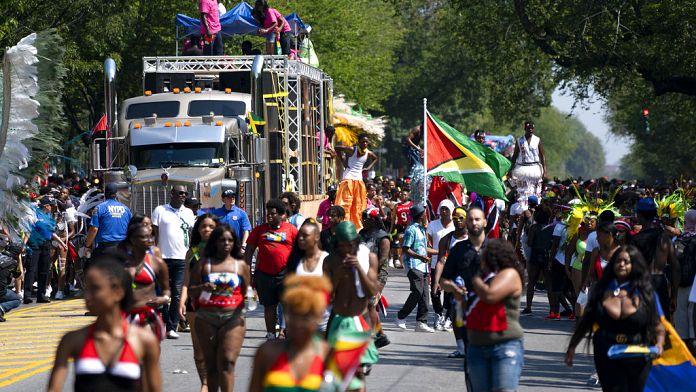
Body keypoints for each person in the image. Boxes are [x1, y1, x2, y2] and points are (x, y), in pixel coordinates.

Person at [48, 255, 161, 392]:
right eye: (86, 289)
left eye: (95, 289)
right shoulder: (72, 340)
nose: (87, 297)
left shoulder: (144, 341)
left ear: (118, 292)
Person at [565, 246, 665, 391]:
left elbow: (657, 323)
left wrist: (660, 344)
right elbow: (587, 320)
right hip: (607, 351)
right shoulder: (602, 290)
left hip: (637, 352)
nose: (622, 264)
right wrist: (572, 346)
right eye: (618, 261)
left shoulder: (645, 292)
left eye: (626, 261)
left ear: (634, 265)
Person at [189, 225, 250, 392]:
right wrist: (203, 287)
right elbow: (192, 291)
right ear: (215, 242)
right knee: (212, 365)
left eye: (230, 240)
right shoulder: (204, 264)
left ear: (234, 243)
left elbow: (247, 291)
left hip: (233, 318)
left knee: (227, 362)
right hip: (207, 318)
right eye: (222, 240)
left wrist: (248, 301)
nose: (226, 243)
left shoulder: (240, 266)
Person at [248, 275, 332, 392]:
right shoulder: (266, 353)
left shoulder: (328, 355)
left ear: (319, 317)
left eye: (306, 317)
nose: (298, 323)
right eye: (294, 314)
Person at [323, 221, 379, 391]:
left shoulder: (369, 257)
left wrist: (358, 269)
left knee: (359, 373)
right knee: (335, 373)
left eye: (350, 245)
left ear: (356, 241)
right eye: (342, 245)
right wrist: (339, 275)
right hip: (338, 320)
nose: (347, 249)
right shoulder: (330, 260)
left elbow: (372, 292)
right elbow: (326, 297)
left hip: (360, 320)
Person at [464, 240, 525, 392]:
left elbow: (490, 295)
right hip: (477, 347)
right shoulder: (486, 278)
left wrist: (475, 279)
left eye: (484, 255)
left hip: (504, 347)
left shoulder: (509, 274)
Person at [440, 207, 487, 388]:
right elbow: (445, 280)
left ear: (485, 222)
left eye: (478, 219)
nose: (473, 223)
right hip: (468, 314)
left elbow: (514, 282)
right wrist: (453, 288)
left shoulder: (495, 249)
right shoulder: (458, 249)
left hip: (491, 317)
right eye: (470, 220)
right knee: (473, 367)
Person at [245, 198, 298, 339]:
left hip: (285, 274)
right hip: (264, 274)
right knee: (269, 306)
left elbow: (300, 250)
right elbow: (249, 250)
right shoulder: (259, 230)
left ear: (281, 215)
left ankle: (283, 330)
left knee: (286, 304)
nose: (269, 216)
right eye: (268, 213)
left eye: (273, 213)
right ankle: (270, 334)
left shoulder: (291, 230)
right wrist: (248, 272)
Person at [151, 185, 196, 339]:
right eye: (180, 193)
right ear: (172, 194)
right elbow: (154, 234)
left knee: (177, 294)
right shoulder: (160, 210)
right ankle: (163, 324)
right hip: (163, 258)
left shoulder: (189, 213)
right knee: (164, 293)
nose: (183, 196)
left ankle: (172, 326)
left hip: (182, 259)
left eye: (185, 193)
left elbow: (192, 234)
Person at [180, 213, 219, 392]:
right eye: (203, 227)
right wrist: (182, 301)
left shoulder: (223, 249)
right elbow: (186, 280)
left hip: (217, 304)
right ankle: (204, 382)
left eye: (211, 227)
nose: (207, 230)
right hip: (194, 305)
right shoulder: (192, 252)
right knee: (198, 350)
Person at [120, 223, 170, 341]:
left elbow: (166, 290)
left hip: (148, 316)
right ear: (132, 240)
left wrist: (164, 299)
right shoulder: (121, 263)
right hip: (125, 316)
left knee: (149, 356)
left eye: (150, 236)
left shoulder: (157, 263)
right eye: (143, 237)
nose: (149, 240)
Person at [632, 197, 679, 320]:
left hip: (642, 284)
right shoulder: (665, 237)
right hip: (660, 283)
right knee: (661, 325)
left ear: (640, 215)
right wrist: (674, 295)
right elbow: (675, 266)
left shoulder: (635, 240)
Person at [433, 207, 469, 357]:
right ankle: (461, 347)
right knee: (456, 315)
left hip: (472, 281)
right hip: (454, 283)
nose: (458, 221)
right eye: (455, 218)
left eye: (461, 218)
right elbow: (440, 261)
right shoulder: (446, 239)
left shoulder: (473, 237)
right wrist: (436, 281)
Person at [396, 204, 437, 332]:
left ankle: (421, 322)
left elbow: (424, 249)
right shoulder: (411, 230)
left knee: (425, 295)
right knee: (417, 292)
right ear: (421, 215)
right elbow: (406, 249)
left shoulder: (420, 229)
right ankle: (400, 317)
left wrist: (440, 251)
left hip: (423, 267)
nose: (426, 215)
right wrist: (420, 257)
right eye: (425, 213)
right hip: (414, 266)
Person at [359, 207, 392, 348]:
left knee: (369, 303)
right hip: (362, 274)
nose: (362, 220)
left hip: (377, 276)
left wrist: (376, 281)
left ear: (373, 220)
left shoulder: (383, 237)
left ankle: (378, 335)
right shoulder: (361, 234)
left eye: (365, 218)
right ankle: (378, 335)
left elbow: (382, 262)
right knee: (366, 304)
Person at [334, 133, 379, 231]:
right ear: (359, 142)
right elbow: (337, 148)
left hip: (359, 181)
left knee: (358, 206)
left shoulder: (368, 152)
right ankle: (343, 226)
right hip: (348, 179)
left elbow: (375, 158)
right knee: (345, 204)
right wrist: (343, 161)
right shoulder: (352, 149)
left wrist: (368, 168)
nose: (365, 143)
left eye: (367, 142)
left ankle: (356, 228)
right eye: (363, 141)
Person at [24, 197, 65, 304]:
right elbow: (28, 230)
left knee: (44, 271)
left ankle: (41, 295)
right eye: (50, 205)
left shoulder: (49, 217)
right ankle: (27, 295)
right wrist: (24, 245)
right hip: (34, 245)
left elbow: (52, 233)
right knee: (31, 270)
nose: (52, 207)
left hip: (46, 245)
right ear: (46, 206)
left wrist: (62, 243)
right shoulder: (34, 214)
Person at [427, 200, 455, 330]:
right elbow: (426, 246)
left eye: (447, 209)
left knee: (450, 292)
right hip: (435, 263)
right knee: (435, 291)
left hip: (451, 265)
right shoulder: (433, 224)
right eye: (442, 209)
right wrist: (440, 252)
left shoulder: (456, 225)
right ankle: (438, 315)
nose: (444, 211)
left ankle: (448, 317)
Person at [85, 183, 132, 260]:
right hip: (123, 248)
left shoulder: (99, 208)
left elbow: (94, 229)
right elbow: (131, 228)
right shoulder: (126, 209)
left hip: (105, 249)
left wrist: (87, 246)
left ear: (105, 194)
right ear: (116, 194)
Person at [521, 205, 554, 315]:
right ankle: (552, 309)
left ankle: (528, 307)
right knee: (549, 284)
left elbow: (529, 243)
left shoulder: (534, 228)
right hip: (546, 255)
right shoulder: (551, 228)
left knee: (531, 282)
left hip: (535, 254)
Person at [674, 210, 696, 353]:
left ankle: (684, 350)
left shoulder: (678, 240)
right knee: (693, 314)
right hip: (695, 282)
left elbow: (673, 264)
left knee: (681, 313)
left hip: (681, 283)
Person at [509, 121, 547, 199]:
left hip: (535, 168)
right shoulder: (519, 140)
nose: (530, 130)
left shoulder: (537, 140)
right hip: (522, 168)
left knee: (535, 191)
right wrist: (510, 169)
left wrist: (545, 171)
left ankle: (534, 206)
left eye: (532, 128)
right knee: (522, 191)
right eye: (528, 128)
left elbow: (542, 156)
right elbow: (515, 156)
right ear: (525, 129)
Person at [0, 235, 21, 321]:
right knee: (17, 300)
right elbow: (18, 275)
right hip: (1, 291)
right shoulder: (13, 263)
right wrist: (18, 261)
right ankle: (1, 308)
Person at [391, 190, 413, 268]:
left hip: (410, 226)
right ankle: (401, 262)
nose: (402, 196)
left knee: (409, 244)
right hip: (401, 226)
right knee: (401, 243)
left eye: (404, 194)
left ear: (408, 196)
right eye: (401, 195)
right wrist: (392, 228)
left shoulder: (411, 204)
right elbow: (393, 217)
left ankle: (410, 260)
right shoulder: (397, 205)